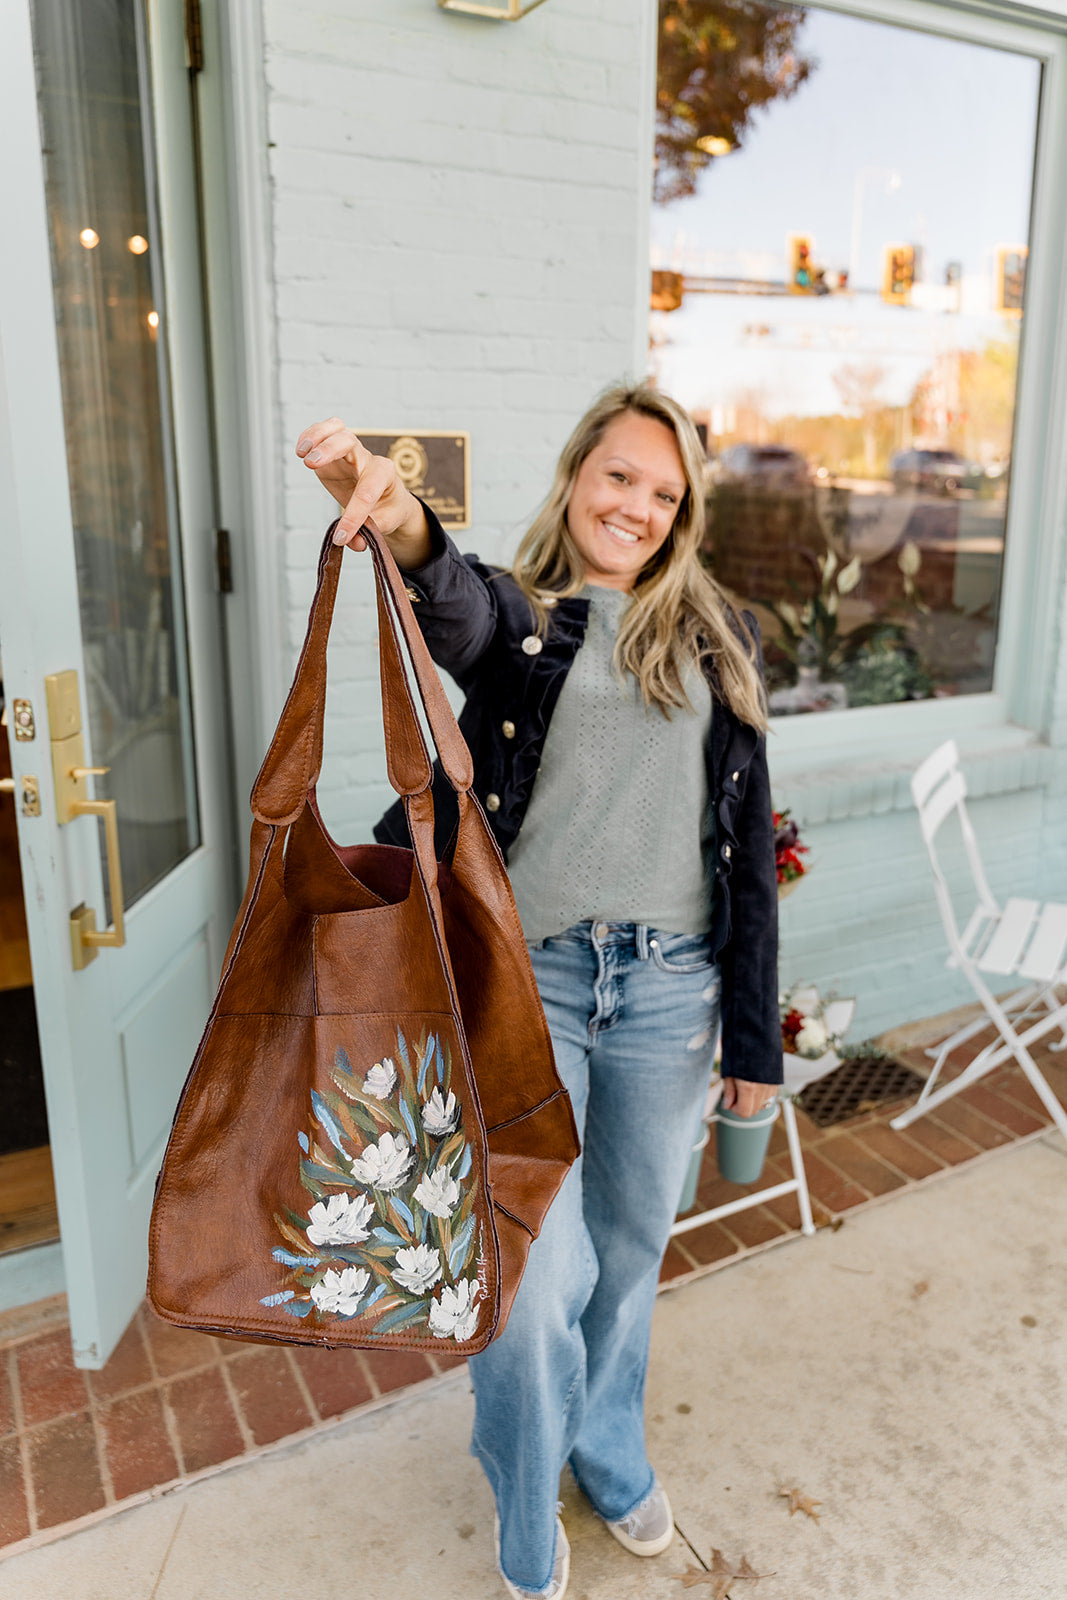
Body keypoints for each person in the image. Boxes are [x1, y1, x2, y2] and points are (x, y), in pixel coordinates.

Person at [295, 384, 781, 1600]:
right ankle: (525, 1485)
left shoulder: (718, 635)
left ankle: (607, 1448)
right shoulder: (524, 619)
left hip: (671, 996)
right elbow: (445, 598)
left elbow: (747, 843)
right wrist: (400, 517)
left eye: (663, 494)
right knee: (525, 1277)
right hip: (536, 988)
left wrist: (752, 1040)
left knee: (624, 1253)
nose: (637, 506)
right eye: (620, 476)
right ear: (577, 474)